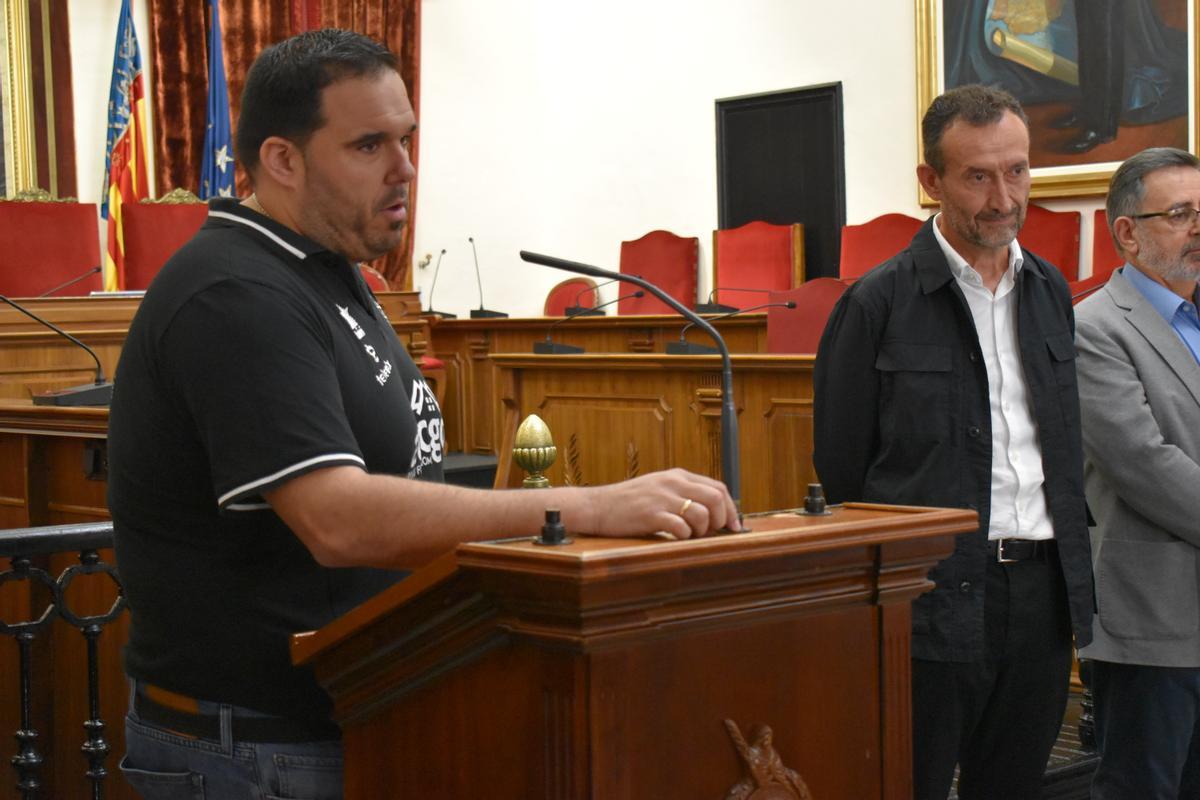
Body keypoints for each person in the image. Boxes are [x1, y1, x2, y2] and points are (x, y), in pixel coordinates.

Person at [107, 29, 738, 798]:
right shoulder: (236, 292)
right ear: (282, 159)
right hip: (254, 748)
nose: (405, 169)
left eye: (407, 140)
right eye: (369, 145)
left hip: (352, 716)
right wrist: (592, 507)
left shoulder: (326, 273)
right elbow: (338, 518)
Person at [812, 84, 1093, 799]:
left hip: (1040, 594)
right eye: (977, 177)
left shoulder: (1050, 291)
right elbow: (842, 469)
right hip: (928, 596)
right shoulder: (876, 303)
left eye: (1018, 171)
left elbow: (1062, 449)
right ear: (930, 183)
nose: (1003, 198)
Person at [1074, 147, 1200, 798]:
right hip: (1152, 619)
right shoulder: (1094, 329)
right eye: (1181, 213)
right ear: (1126, 232)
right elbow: (1145, 463)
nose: (1199, 228)